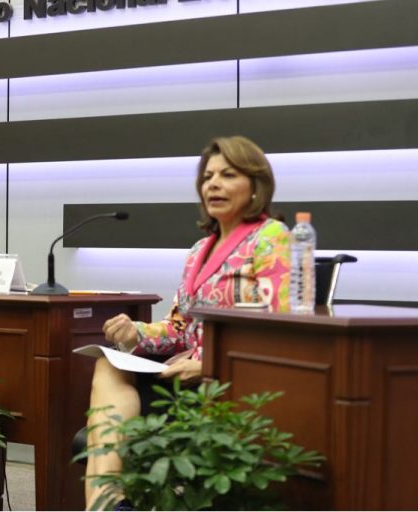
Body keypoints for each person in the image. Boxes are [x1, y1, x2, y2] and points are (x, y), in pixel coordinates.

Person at [84, 136, 291, 509]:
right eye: (208, 176)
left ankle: (106, 504)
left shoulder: (270, 238)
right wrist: (136, 333)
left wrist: (210, 362)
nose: (213, 184)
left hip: (227, 384)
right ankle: (112, 500)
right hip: (181, 381)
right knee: (107, 364)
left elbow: (277, 332)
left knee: (102, 430)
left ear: (255, 185)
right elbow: (179, 327)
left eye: (228, 175)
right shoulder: (200, 250)